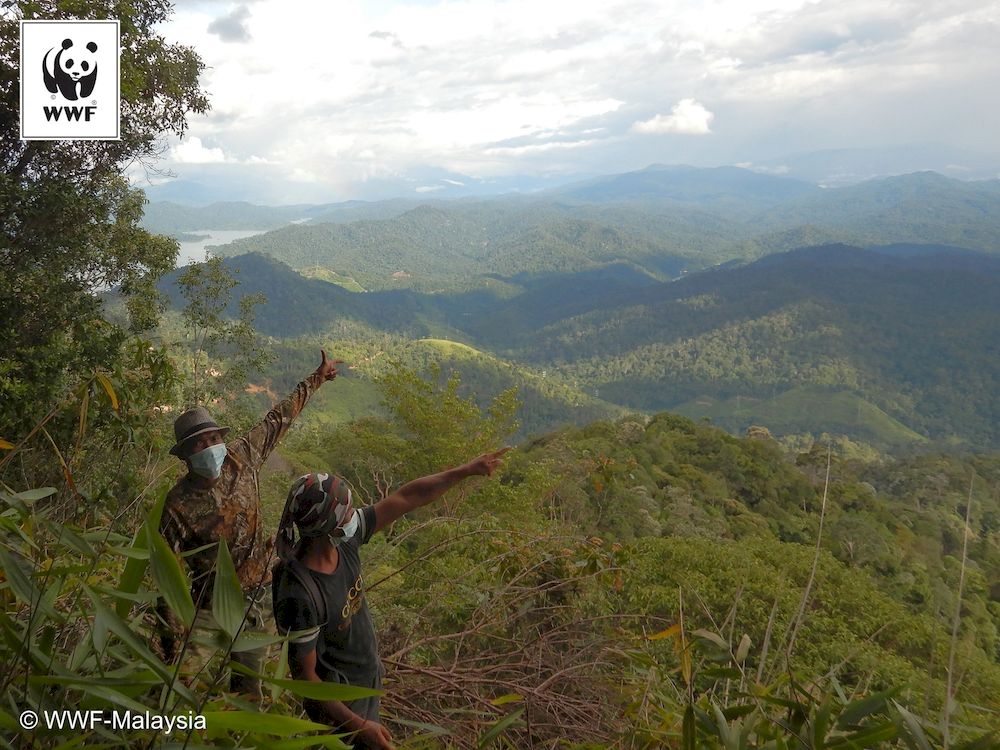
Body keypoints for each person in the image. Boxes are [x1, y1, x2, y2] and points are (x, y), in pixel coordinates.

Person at [272, 448, 510, 750]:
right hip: (338, 704)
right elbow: (304, 679)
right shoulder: (299, 593)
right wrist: (359, 727)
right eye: (346, 512)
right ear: (326, 528)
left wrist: (465, 470)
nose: (353, 516)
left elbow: (407, 498)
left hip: (365, 681)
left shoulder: (342, 540)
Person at [158, 350, 343, 695]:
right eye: (199, 443)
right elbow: (167, 573)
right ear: (185, 455)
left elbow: (280, 417)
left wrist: (317, 378)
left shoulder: (241, 456)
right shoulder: (176, 505)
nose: (210, 446)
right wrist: (173, 638)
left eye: (213, 438)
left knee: (251, 690)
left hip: (258, 602)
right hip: (207, 606)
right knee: (178, 686)